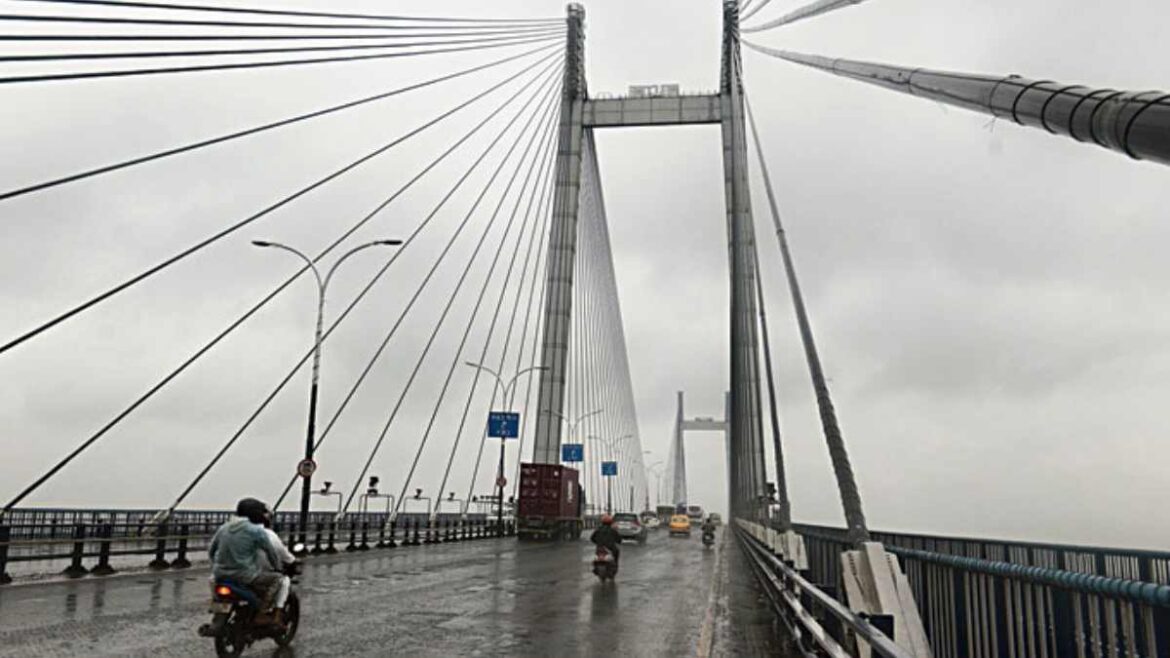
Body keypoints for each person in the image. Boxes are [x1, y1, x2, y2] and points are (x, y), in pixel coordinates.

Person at [209, 498, 288, 625]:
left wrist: (216, 566)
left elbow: (211, 551)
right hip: (245, 576)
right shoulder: (256, 531)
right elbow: (271, 553)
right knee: (278, 579)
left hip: (220, 575)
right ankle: (261, 613)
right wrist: (278, 567)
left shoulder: (223, 528)